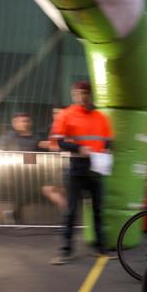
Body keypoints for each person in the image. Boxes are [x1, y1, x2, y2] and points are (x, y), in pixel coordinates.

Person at [49, 81, 114, 265]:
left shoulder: (101, 117)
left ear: (90, 94)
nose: (82, 96)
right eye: (78, 93)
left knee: (98, 211)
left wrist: (106, 151)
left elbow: (109, 141)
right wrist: (79, 148)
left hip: (96, 167)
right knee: (70, 212)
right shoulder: (65, 115)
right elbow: (60, 142)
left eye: (85, 93)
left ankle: (102, 249)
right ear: (73, 95)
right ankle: (65, 251)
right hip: (76, 167)